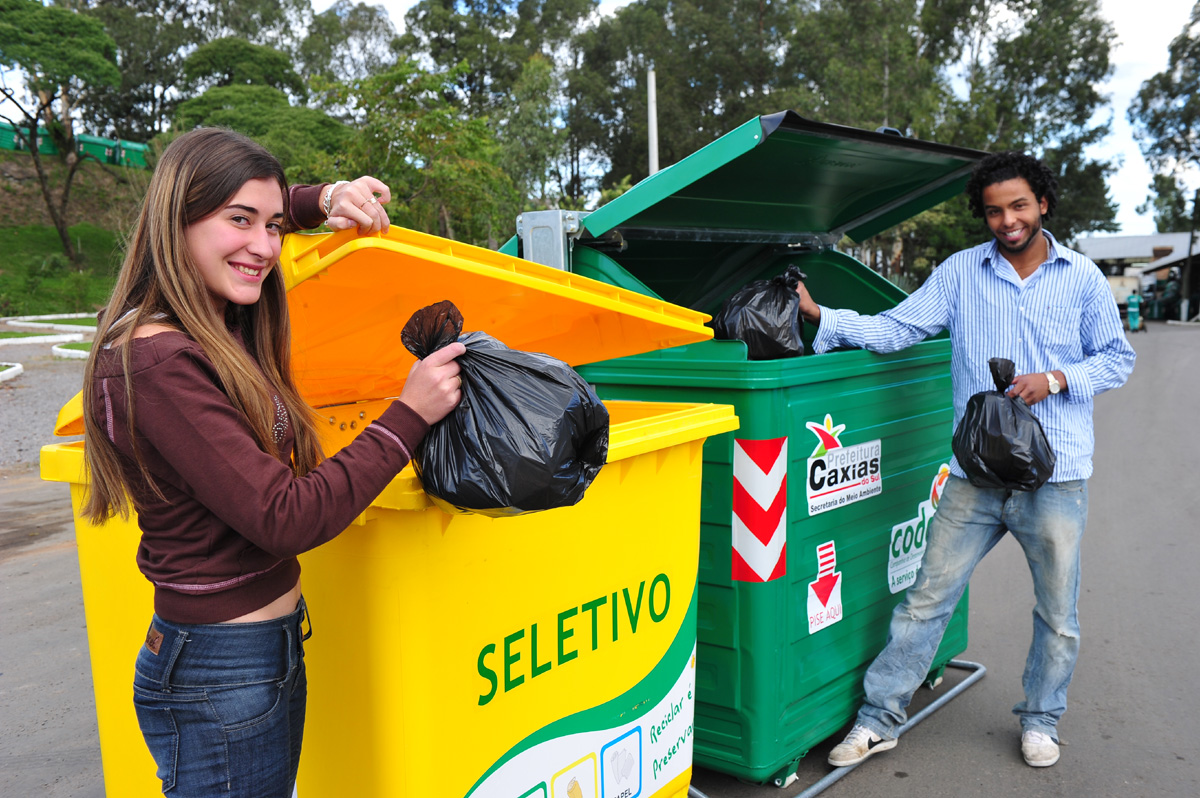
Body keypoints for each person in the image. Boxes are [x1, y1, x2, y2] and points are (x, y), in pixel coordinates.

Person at [79, 127, 465, 797]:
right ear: (177, 222)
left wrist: (324, 200)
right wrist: (409, 414)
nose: (263, 246)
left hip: (254, 656)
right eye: (240, 222)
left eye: (274, 227)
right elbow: (284, 517)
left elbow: (249, 206)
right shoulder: (158, 359)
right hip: (220, 673)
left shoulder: (209, 318)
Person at [798, 152, 1136, 769]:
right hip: (973, 477)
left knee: (1057, 615)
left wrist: (1057, 378)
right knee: (926, 600)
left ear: (1043, 205)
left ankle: (1041, 720)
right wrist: (825, 318)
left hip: (1055, 476)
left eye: (1019, 206)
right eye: (994, 210)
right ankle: (879, 720)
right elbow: (900, 327)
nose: (1007, 220)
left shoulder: (1083, 278)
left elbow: (1117, 358)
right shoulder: (960, 273)